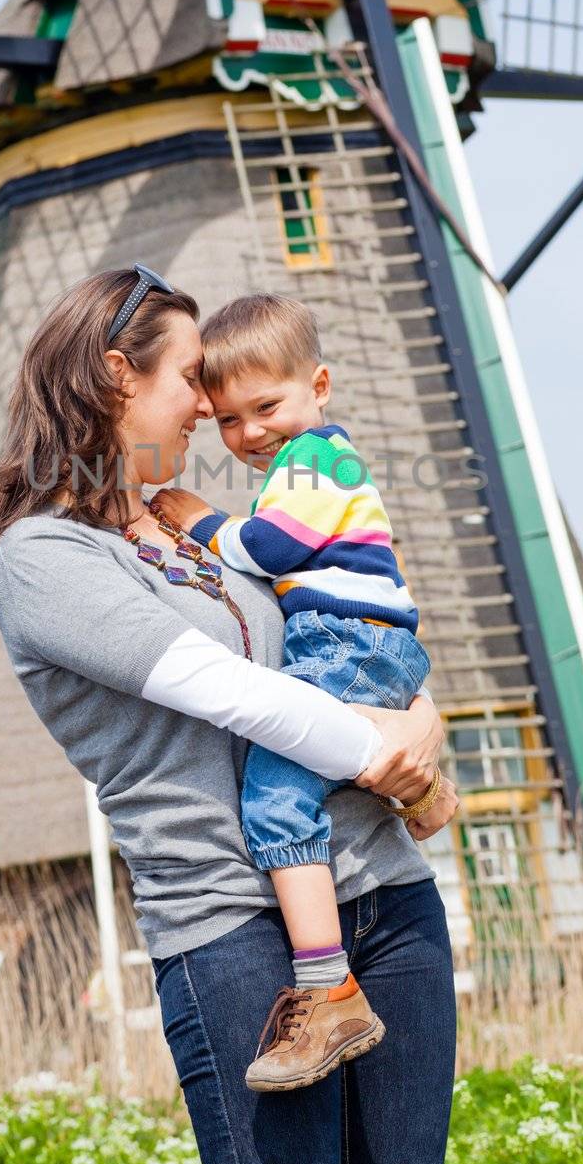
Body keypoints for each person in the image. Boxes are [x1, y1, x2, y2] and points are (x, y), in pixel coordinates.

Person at [0, 264, 459, 1164]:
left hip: (381, 893)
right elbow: (226, 688)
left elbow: (348, 621)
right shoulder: (45, 557)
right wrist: (391, 760)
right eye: (192, 377)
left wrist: (421, 714)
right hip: (230, 923)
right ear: (117, 375)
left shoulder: (200, 531)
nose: (211, 403)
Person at [154, 293, 435, 1093]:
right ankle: (427, 794)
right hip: (355, 639)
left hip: (345, 639)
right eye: (229, 421)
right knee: (325, 758)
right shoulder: (301, 462)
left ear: (319, 384)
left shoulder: (315, 460)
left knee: (276, 794)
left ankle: (327, 989)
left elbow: (272, 545)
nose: (248, 432)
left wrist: (204, 523)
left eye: (266, 406)